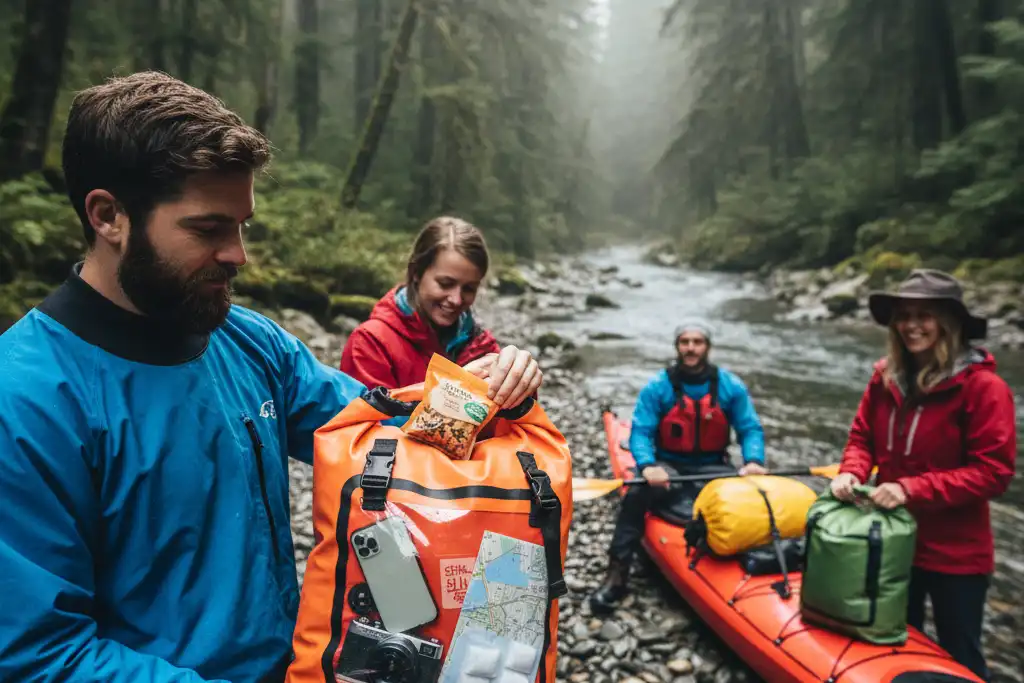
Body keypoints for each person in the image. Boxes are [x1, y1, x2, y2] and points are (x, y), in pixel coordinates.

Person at [0, 71, 541, 683]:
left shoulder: (250, 343)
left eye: (242, 225)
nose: (238, 254)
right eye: (208, 229)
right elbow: (39, 655)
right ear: (109, 216)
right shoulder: (25, 399)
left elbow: (384, 429)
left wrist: (486, 394)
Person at [831, 269, 1016, 682]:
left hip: (958, 556)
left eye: (924, 315)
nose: (912, 325)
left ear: (949, 323)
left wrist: (909, 489)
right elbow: (862, 437)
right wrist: (852, 472)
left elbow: (993, 473)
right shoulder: (884, 377)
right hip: (893, 540)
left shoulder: (985, 389)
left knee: (960, 655)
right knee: (894, 641)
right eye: (904, 315)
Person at [589, 320, 768, 614]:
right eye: (685, 342)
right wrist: (646, 466)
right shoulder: (659, 387)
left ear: (707, 347)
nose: (691, 348)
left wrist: (753, 461)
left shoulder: (730, 386)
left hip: (713, 468)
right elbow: (642, 431)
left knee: (755, 501)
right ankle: (617, 574)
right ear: (677, 347)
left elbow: (750, 429)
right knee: (634, 498)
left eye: (697, 342)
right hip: (669, 467)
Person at [340, 217, 534, 400]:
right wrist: (453, 391)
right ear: (416, 272)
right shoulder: (370, 344)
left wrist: (523, 387)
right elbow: (364, 426)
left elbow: (511, 428)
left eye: (469, 288)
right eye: (445, 283)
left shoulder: (481, 347)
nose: (456, 299)